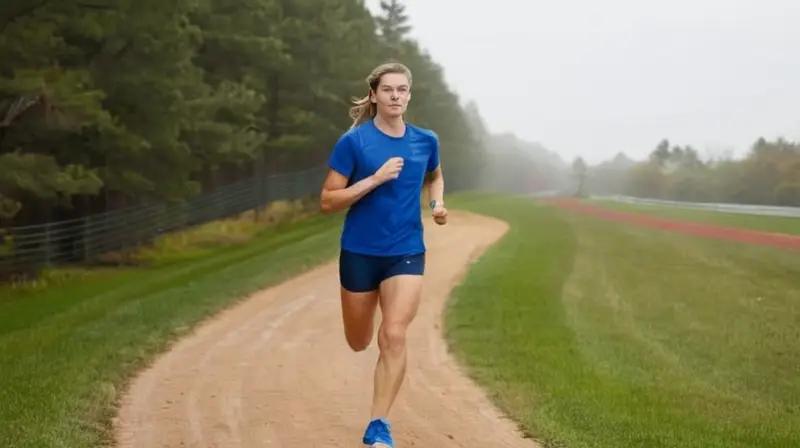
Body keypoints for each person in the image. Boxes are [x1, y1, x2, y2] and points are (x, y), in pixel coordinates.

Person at [319, 61, 447, 447]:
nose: (396, 96)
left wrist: (437, 203)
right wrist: (373, 179)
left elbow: (435, 175)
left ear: (409, 95)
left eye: (402, 90)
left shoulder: (426, 140)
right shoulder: (354, 143)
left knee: (392, 334)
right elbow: (327, 200)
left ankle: (379, 426)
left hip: (405, 250)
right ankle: (377, 418)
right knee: (359, 341)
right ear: (374, 95)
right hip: (359, 251)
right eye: (388, 90)